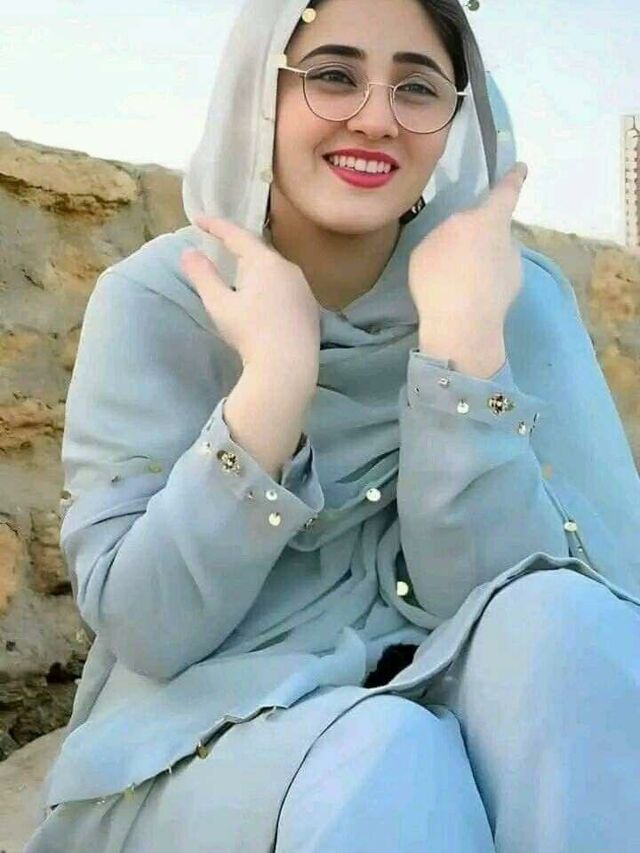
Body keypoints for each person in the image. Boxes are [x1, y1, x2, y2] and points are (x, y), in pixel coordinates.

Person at [25, 0, 640, 850]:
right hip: (218, 733)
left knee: (570, 622)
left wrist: (462, 353)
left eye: (417, 88)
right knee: (391, 757)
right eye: (334, 75)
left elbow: (507, 602)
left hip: (460, 687)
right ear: (261, 91)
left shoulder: (510, 292)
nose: (377, 118)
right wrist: (273, 389)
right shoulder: (162, 298)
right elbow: (150, 627)